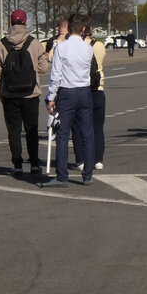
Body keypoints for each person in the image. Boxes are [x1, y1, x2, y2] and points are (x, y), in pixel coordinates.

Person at [0, 9, 51, 178]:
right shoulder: (34, 42)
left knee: (13, 130)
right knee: (31, 130)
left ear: (11, 22)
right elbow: (43, 67)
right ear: (25, 22)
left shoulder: (2, 44)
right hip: (30, 93)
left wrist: (0, 91)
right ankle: (34, 164)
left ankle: (17, 164)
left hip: (10, 94)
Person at [40, 16, 95, 188]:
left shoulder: (61, 48)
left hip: (67, 93)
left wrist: (51, 97)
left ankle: (62, 176)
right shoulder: (88, 49)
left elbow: (55, 75)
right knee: (87, 134)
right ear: (83, 30)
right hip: (84, 92)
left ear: (69, 29)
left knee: (63, 135)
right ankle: (87, 175)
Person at [71, 24, 106, 172]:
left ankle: (81, 159)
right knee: (97, 127)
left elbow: (53, 55)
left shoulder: (75, 46)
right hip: (98, 88)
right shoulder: (99, 45)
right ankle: (98, 159)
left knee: (78, 127)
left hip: (80, 88)